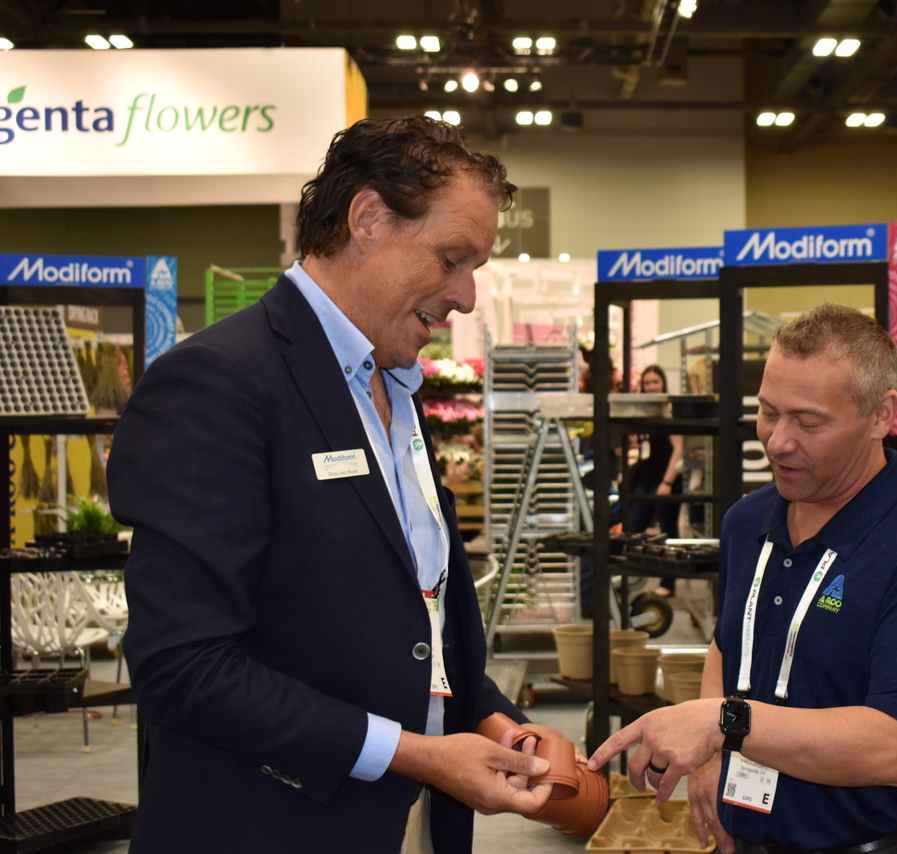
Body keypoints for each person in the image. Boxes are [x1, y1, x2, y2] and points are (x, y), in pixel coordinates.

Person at [108, 117, 562, 854]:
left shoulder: (394, 389)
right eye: (453, 259)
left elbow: (414, 623)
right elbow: (182, 667)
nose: (467, 296)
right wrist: (415, 755)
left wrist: (493, 720)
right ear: (369, 219)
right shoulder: (218, 383)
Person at [588, 303, 897, 854]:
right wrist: (710, 754)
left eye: (809, 421)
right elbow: (729, 644)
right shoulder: (748, 521)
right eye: (768, 412)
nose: (777, 441)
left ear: (881, 415)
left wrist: (725, 724)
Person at [628, 364, 683, 596]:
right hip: (644, 480)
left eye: (655, 382)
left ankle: (668, 584)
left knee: (668, 531)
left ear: (663, 384)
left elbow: (679, 449)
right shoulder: (643, 414)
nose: (651, 387)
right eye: (647, 383)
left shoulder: (669, 414)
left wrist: (667, 482)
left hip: (665, 481)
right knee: (632, 529)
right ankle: (626, 579)